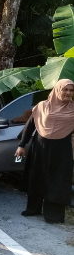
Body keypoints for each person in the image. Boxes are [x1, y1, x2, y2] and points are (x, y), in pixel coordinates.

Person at [15, 79, 74, 223]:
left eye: (71, 90)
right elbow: (30, 127)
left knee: (58, 180)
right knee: (36, 177)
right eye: (65, 89)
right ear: (57, 90)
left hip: (62, 151)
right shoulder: (42, 106)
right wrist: (22, 145)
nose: (68, 93)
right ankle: (33, 209)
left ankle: (53, 215)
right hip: (40, 148)